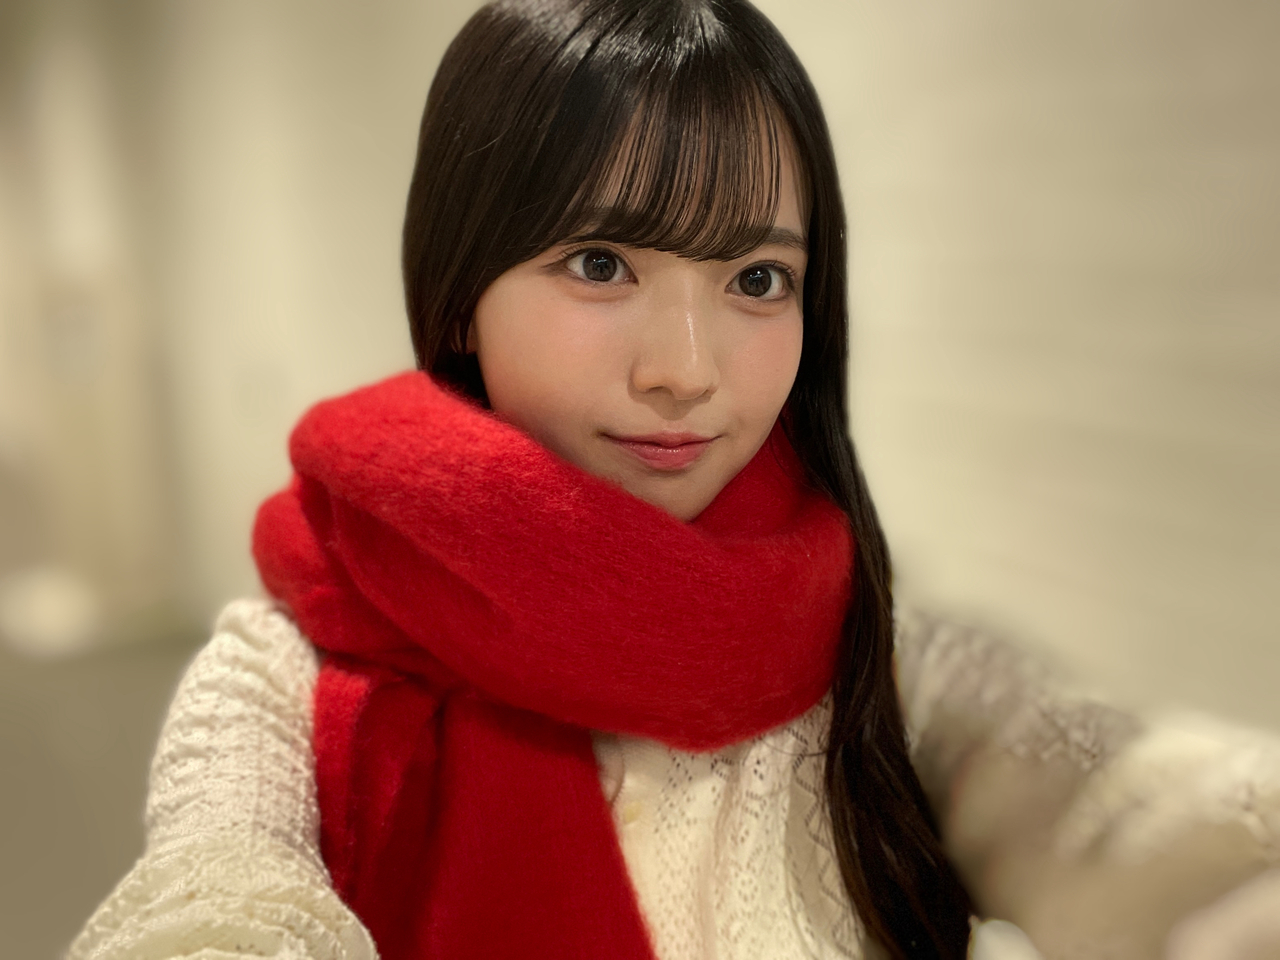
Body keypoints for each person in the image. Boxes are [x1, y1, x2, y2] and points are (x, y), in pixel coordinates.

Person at [69, 1, 1280, 958]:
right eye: (601, 262)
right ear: (459, 289)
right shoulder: (282, 674)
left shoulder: (875, 654)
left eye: (756, 280)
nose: (686, 372)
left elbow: (1118, 807)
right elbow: (212, 901)